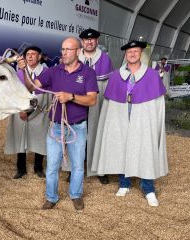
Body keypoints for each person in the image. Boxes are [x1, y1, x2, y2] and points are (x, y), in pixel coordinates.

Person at [18, 37, 98, 210]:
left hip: (78, 126)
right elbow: (31, 86)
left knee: (77, 165)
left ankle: (76, 195)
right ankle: (51, 197)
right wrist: (24, 71)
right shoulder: (53, 71)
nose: (64, 52)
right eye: (62, 49)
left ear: (78, 52)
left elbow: (92, 100)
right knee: (52, 166)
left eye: (68, 49)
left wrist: (71, 97)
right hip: (55, 126)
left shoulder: (88, 73)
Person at [91, 40, 168, 207]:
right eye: (129, 52)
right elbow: (109, 104)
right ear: (125, 55)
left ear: (141, 53)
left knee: (146, 149)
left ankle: (148, 188)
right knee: (121, 147)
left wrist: (155, 121)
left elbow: (158, 103)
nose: (132, 54)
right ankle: (124, 183)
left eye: (135, 51)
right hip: (120, 116)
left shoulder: (152, 75)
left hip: (144, 118)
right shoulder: (116, 75)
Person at [62, 28, 113, 184]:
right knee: (74, 133)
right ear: (81, 42)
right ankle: (72, 168)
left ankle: (98, 169)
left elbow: (109, 85)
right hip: (76, 99)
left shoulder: (105, 59)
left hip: (97, 99)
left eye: (92, 39)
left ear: (96, 41)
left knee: (97, 134)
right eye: (85, 40)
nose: (89, 42)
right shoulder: (74, 57)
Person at [5, 46, 52, 179]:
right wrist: (21, 110)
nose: (30, 56)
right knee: (20, 136)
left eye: (33, 54)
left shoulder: (46, 71)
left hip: (40, 109)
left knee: (40, 135)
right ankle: (21, 169)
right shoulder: (18, 72)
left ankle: (38, 167)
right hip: (21, 108)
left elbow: (47, 95)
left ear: (39, 56)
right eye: (28, 54)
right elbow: (15, 92)